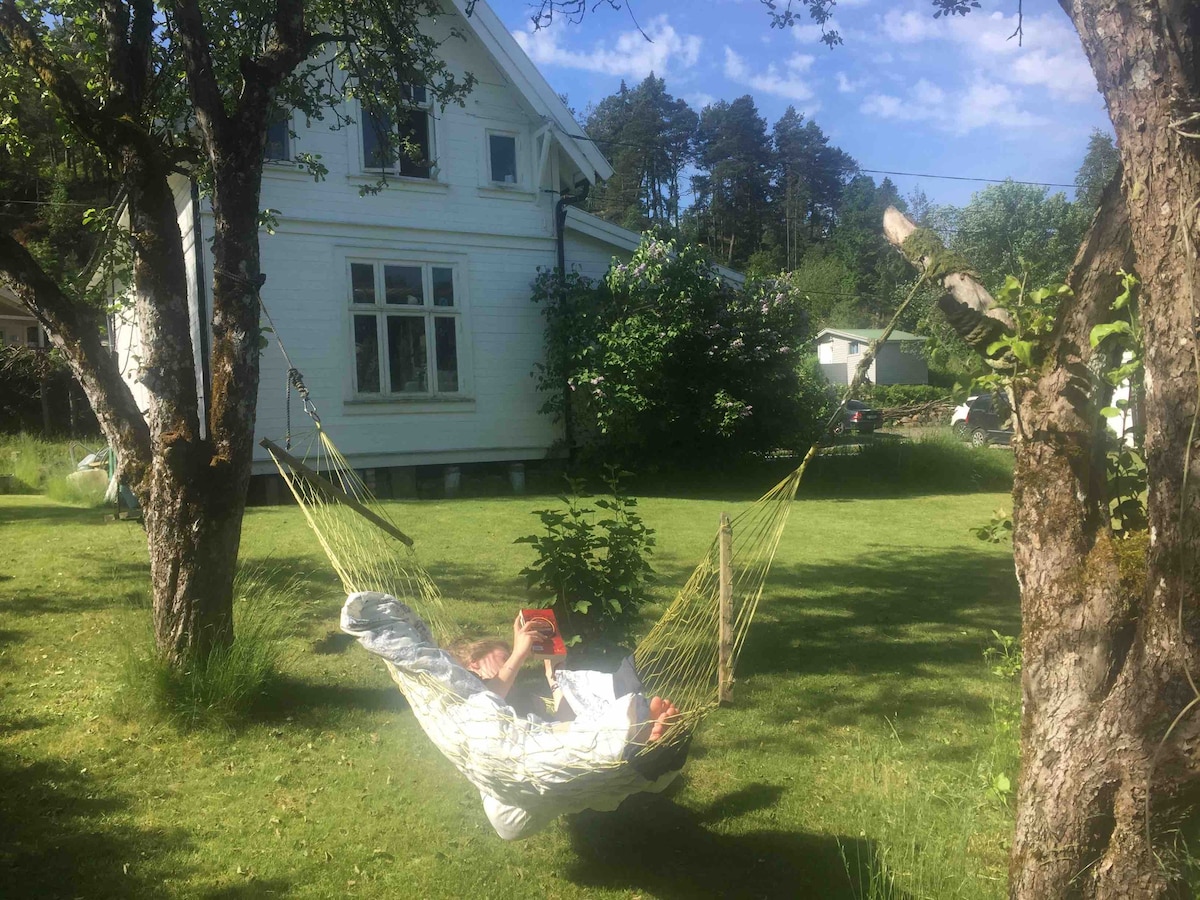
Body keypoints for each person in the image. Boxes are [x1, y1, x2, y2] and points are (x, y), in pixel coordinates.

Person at [447, 614, 679, 740]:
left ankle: (640, 722)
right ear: (474, 662)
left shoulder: (515, 692)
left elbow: (560, 720)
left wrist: (554, 674)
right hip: (538, 742)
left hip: (555, 734)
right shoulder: (468, 686)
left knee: (620, 676)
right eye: (504, 656)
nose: (512, 661)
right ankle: (639, 726)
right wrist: (518, 653)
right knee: (605, 718)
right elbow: (482, 705)